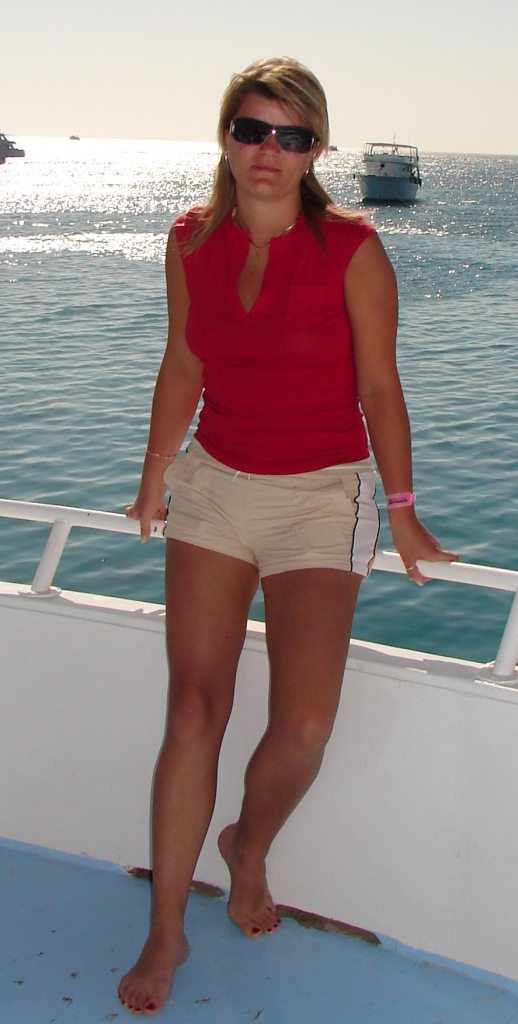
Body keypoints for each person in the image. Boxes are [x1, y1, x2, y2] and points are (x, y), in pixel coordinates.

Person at [119, 56, 458, 1016]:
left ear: (315, 151)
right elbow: (183, 362)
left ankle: (249, 846)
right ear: (226, 136)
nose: (269, 150)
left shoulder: (353, 249)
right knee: (194, 709)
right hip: (215, 487)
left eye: (292, 136)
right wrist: (154, 476)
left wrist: (402, 510)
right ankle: (167, 929)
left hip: (322, 498)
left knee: (304, 725)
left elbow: (381, 387)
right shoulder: (190, 238)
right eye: (253, 130)